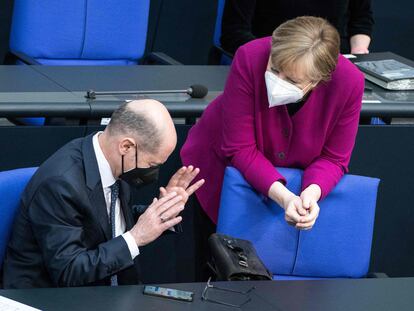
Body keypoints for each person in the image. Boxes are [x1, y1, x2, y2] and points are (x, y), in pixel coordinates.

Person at [181, 16, 364, 279]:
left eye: (291, 79)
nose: (277, 80)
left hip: (289, 182)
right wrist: (286, 197)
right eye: (274, 68)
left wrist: (311, 194)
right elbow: (239, 147)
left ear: (318, 80)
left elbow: (334, 158)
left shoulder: (349, 83)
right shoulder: (250, 56)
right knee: (215, 272)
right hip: (220, 171)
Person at [3, 99, 204, 289]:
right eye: (151, 164)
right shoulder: (60, 184)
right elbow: (69, 271)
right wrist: (135, 238)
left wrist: (161, 212)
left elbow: (105, 221)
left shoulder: (111, 160)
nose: (153, 173)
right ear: (126, 146)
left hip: (101, 288)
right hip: (48, 295)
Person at [220, 0, 374, 55]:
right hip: (273, 63)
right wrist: (285, 58)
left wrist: (358, 51)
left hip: (332, 63)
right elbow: (234, 32)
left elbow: (361, 20)